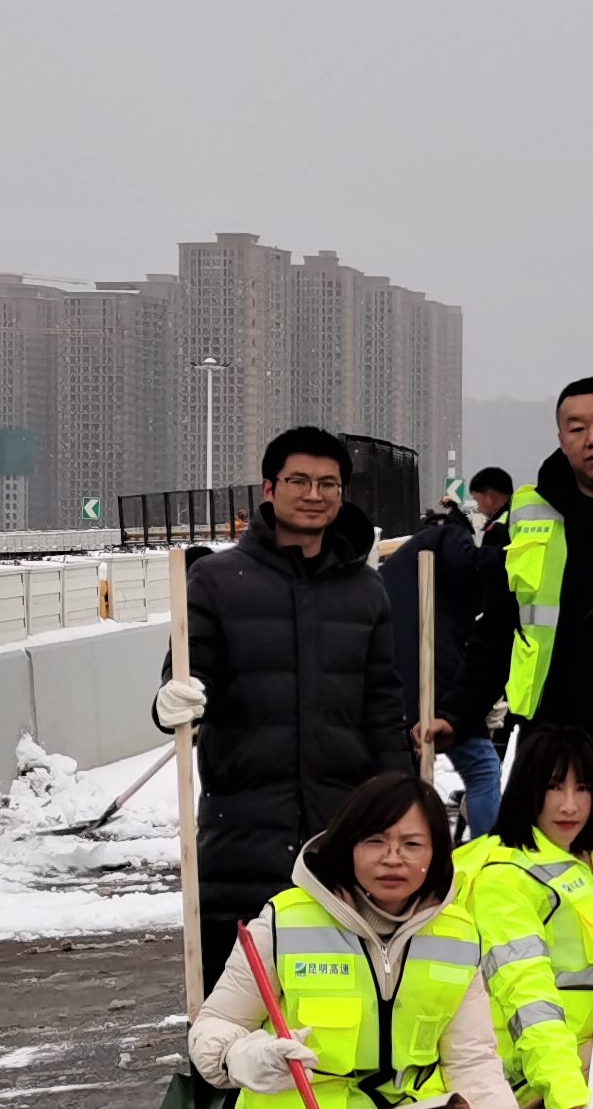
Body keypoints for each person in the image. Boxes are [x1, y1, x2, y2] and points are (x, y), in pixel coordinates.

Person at [186, 773, 553, 1109]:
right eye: (376, 840)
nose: (393, 858)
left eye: (412, 843)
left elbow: (475, 1064)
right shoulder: (284, 923)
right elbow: (214, 1025)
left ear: (437, 853)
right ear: (347, 844)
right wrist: (242, 1058)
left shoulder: (456, 936)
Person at [153, 425, 413, 1001]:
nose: (314, 494)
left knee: (340, 1005)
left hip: (340, 832)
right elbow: (187, 678)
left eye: (328, 483)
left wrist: (402, 804)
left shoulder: (364, 591)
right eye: (299, 480)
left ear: (343, 494)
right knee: (233, 1004)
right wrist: (173, 700)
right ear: (269, 488)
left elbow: (382, 707)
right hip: (242, 831)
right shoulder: (216, 581)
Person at [443, 377, 593, 803]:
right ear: (561, 439)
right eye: (577, 428)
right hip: (551, 739)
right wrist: (456, 713)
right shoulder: (529, 514)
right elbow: (497, 628)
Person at [454, 723, 593, 1109]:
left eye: (582, 788)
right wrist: (561, 1084)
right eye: (553, 787)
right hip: (538, 1077)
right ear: (525, 789)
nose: (569, 805)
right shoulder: (503, 879)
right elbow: (526, 992)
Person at [381, 469, 511, 834]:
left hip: (404, 679)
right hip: (433, 677)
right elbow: (474, 567)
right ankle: (486, 850)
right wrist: (507, 562)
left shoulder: (404, 560)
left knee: (405, 775)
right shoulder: (449, 537)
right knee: (482, 767)